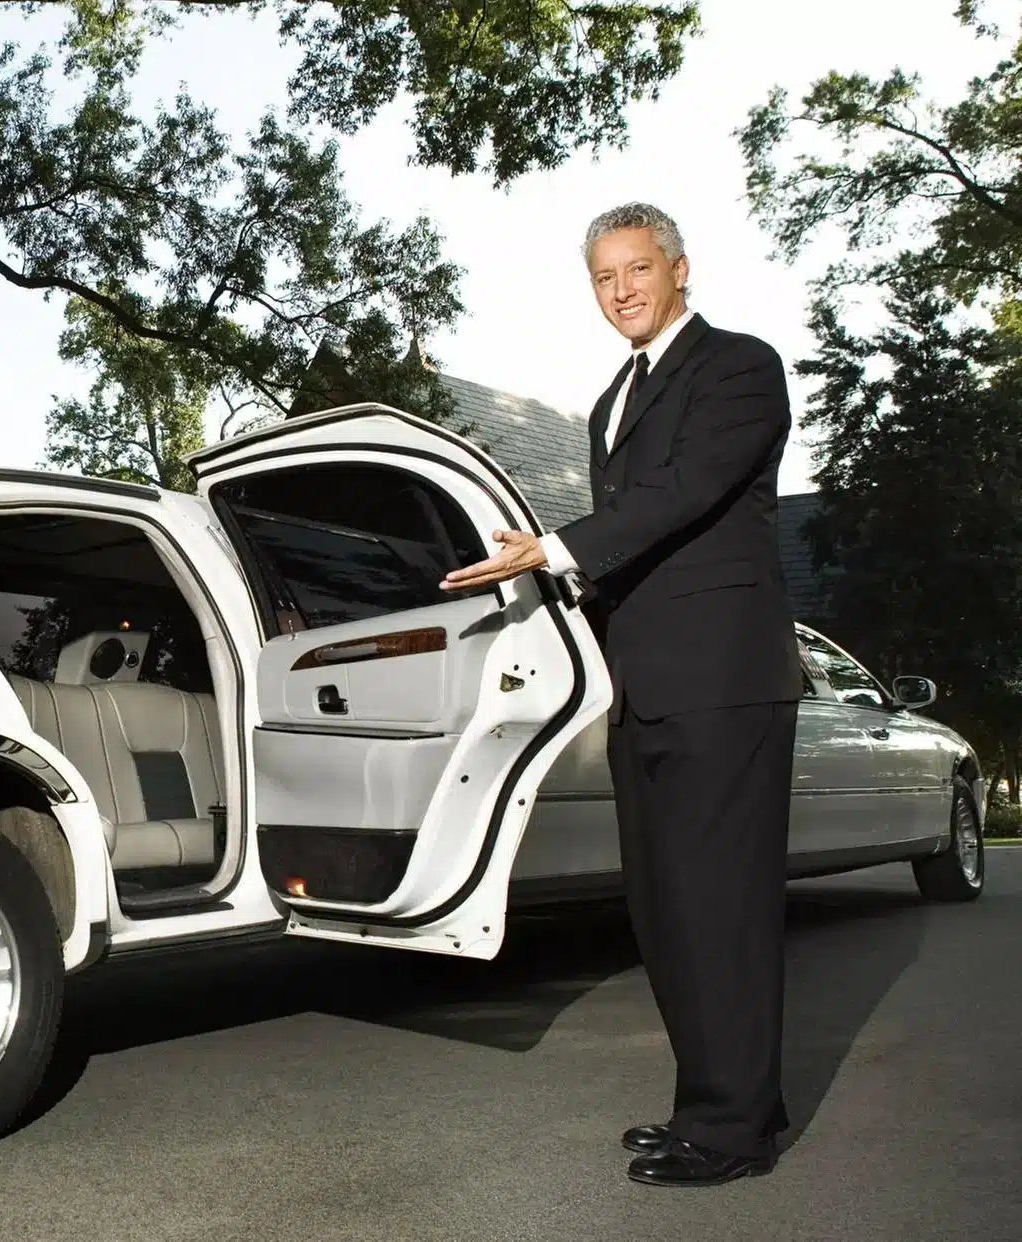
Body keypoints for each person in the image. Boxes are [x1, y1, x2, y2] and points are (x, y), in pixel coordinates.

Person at [439, 202, 806, 1188]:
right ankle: (719, 1104)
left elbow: (685, 491)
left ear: (679, 269)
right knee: (669, 911)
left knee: (720, 907)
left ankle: (731, 1134)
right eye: (603, 278)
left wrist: (553, 549)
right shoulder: (613, 395)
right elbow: (631, 541)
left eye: (637, 269)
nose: (620, 291)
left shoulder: (738, 366)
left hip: (721, 681)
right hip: (644, 687)